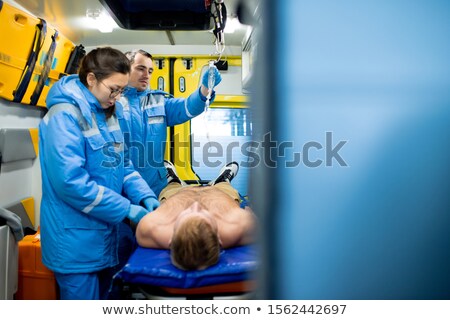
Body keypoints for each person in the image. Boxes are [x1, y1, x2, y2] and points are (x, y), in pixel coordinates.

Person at [39, 47, 159, 300]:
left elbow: (122, 165)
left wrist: (145, 196)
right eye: (113, 89)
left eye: (122, 90)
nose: (117, 97)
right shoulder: (64, 117)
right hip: (74, 240)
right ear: (91, 79)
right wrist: (126, 209)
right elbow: (70, 182)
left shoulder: (106, 113)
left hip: (103, 236)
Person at [116, 49, 222, 197]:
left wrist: (205, 89)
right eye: (141, 69)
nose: (147, 75)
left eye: (150, 71)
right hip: (118, 187)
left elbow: (188, 107)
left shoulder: (159, 102)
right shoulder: (110, 101)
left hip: (153, 187)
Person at [136, 161, 256, 271]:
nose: (196, 206)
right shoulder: (239, 227)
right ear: (219, 240)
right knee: (226, 188)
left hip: (177, 195)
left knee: (170, 190)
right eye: (203, 214)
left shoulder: (151, 228)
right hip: (219, 194)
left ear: (171, 241)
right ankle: (222, 180)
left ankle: (173, 180)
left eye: (188, 214)